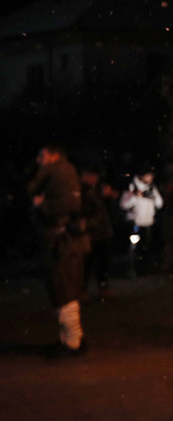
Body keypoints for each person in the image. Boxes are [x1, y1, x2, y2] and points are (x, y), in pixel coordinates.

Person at [27, 144, 90, 357]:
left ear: (54, 156)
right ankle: (69, 339)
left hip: (65, 243)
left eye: (42, 155)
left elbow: (69, 204)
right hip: (60, 242)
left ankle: (74, 342)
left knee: (65, 289)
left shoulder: (62, 172)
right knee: (60, 289)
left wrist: (41, 204)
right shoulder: (57, 173)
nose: (39, 160)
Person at [119, 166, 164, 277]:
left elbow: (159, 203)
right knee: (133, 248)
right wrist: (135, 197)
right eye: (148, 175)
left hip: (148, 222)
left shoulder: (152, 188)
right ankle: (131, 269)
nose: (150, 178)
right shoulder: (132, 186)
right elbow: (123, 205)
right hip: (135, 223)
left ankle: (143, 269)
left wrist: (152, 196)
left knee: (145, 247)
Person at [80, 163, 116, 299]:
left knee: (103, 260)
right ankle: (82, 289)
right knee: (86, 262)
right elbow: (84, 208)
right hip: (89, 230)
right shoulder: (80, 189)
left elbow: (108, 207)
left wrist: (109, 196)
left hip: (103, 229)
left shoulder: (100, 187)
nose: (93, 178)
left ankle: (103, 286)